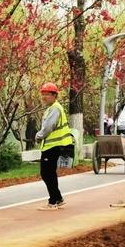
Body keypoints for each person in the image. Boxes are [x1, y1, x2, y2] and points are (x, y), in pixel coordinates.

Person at [35, 82, 73, 211]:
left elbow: (48, 127)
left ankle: (53, 202)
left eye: (47, 94)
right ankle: (57, 198)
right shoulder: (52, 108)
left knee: (46, 173)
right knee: (49, 173)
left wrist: (38, 136)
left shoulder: (55, 108)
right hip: (53, 146)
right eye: (43, 94)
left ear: (54, 95)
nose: (44, 97)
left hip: (54, 146)